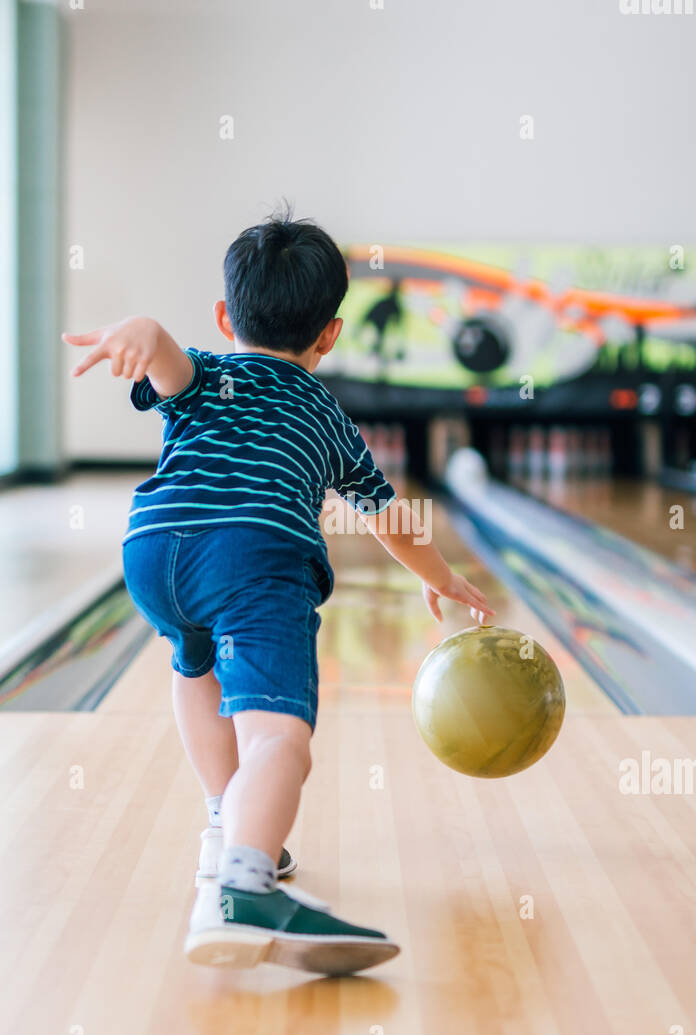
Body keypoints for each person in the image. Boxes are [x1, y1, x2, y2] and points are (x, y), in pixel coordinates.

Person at [62, 211, 493, 975]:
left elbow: (161, 354)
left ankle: (228, 826)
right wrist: (444, 579)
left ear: (226, 317)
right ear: (330, 335)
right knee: (280, 739)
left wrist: (140, 329)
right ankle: (245, 887)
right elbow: (389, 518)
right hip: (254, 555)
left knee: (192, 663)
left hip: (153, 549)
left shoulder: (205, 373)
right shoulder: (326, 415)